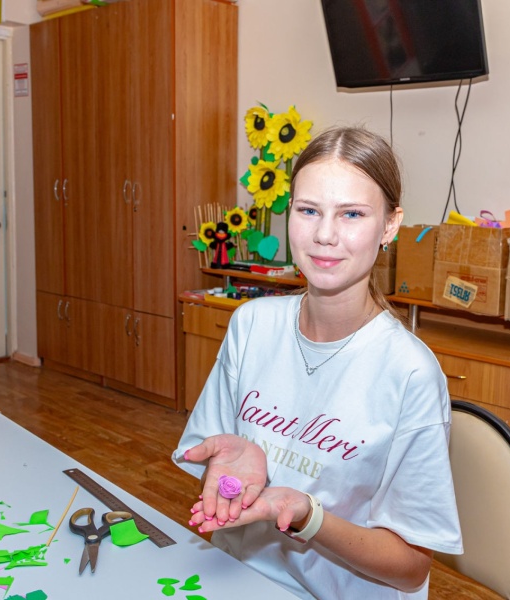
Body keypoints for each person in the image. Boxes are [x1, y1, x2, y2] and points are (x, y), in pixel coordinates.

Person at [172, 126, 462, 599]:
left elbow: (410, 569)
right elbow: (218, 473)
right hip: (237, 578)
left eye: (352, 214)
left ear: (390, 225)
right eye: (308, 210)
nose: (325, 235)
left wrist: (306, 515)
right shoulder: (252, 325)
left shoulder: (409, 372)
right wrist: (234, 482)